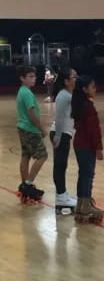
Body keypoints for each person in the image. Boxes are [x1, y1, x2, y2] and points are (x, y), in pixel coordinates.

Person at [71, 75, 104, 223]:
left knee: (83, 174)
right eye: (92, 86)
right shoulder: (88, 107)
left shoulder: (79, 105)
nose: (95, 89)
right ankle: (85, 206)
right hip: (86, 145)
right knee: (88, 175)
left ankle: (81, 204)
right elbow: (93, 130)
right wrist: (98, 148)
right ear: (85, 89)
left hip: (79, 144)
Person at [16, 65, 48, 202]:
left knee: (26, 155)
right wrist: (41, 129)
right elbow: (32, 114)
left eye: (34, 76)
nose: (33, 79)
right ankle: (28, 185)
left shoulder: (22, 91)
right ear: (22, 78)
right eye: (30, 76)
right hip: (30, 129)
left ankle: (24, 185)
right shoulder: (27, 93)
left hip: (22, 128)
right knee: (42, 155)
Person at [50, 67, 78, 212]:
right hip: (60, 133)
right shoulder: (63, 95)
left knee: (62, 165)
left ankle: (63, 193)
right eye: (74, 77)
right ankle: (61, 196)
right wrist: (58, 136)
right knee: (60, 165)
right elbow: (59, 117)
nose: (76, 79)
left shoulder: (68, 94)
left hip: (65, 133)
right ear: (66, 81)